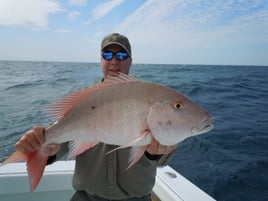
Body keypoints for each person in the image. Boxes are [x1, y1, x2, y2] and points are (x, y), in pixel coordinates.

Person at [15, 33, 176, 201]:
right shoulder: (83, 101)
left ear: (130, 60)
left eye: (121, 55)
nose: (114, 61)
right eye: (107, 55)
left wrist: (155, 154)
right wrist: (41, 145)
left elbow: (162, 160)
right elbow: (58, 144)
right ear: (101, 60)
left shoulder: (150, 99)